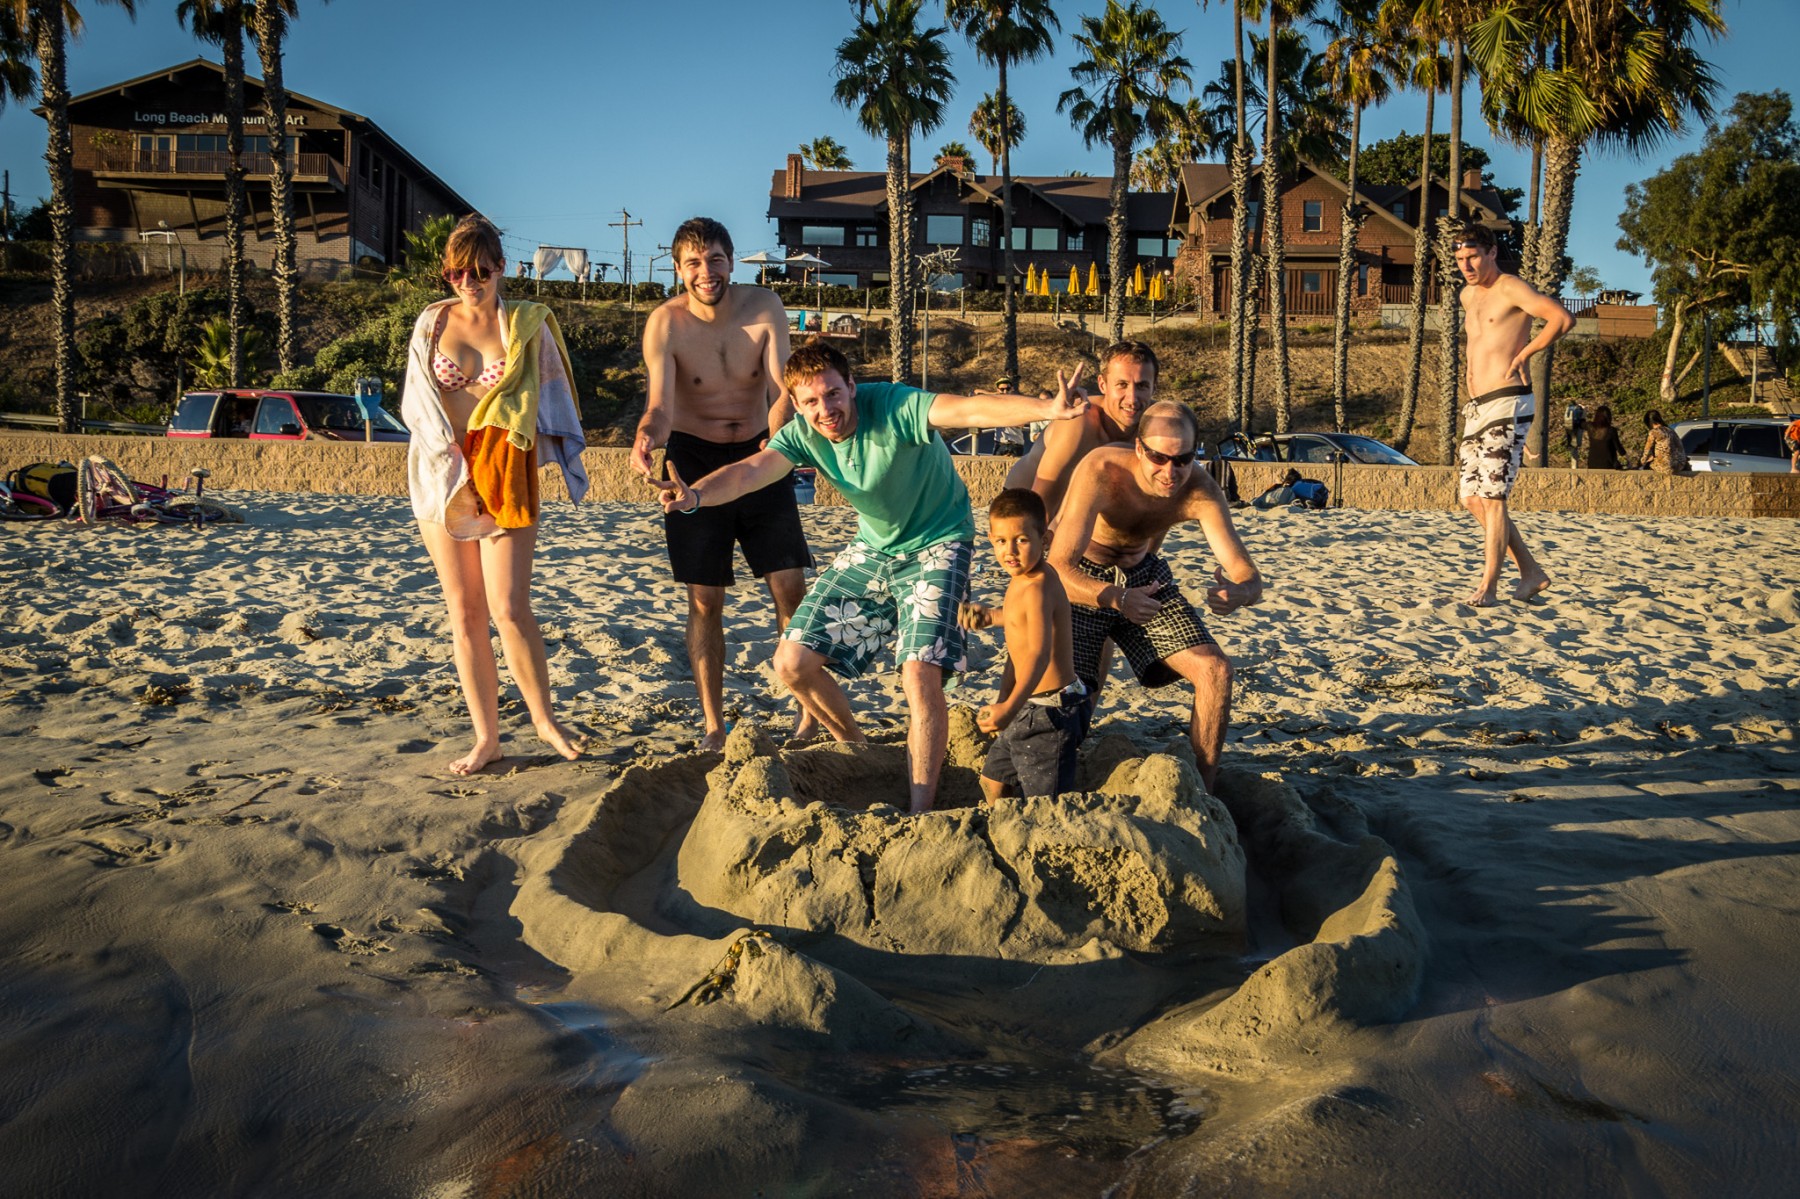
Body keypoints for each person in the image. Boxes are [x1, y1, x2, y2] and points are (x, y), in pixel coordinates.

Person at [650, 339, 1089, 814]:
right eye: (811, 401)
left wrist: (1047, 409)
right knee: (791, 663)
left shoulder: (895, 406)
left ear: (852, 386)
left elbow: (967, 409)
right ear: (796, 404)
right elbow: (748, 473)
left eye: (833, 394)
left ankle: (920, 810)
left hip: (940, 542)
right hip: (875, 547)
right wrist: (695, 496)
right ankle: (858, 748)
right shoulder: (802, 434)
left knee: (919, 672)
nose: (825, 410)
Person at [400, 214, 589, 774]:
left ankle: (544, 720)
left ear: (502, 268)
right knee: (465, 612)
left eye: (481, 271)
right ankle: (487, 739)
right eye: (457, 273)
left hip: (504, 474)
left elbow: (552, 396)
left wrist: (551, 455)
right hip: (442, 475)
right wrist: (453, 462)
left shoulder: (526, 325)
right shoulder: (431, 323)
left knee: (509, 607)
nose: (469, 282)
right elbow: (416, 404)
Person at [631, 218, 815, 751]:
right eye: (693, 262)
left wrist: (777, 433)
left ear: (731, 262)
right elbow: (661, 408)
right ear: (678, 269)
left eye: (715, 259)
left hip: (760, 452)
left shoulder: (764, 306)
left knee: (789, 585)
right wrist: (645, 438)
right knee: (705, 599)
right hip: (692, 460)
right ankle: (714, 725)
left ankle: (807, 715)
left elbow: (782, 389)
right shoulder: (665, 324)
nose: (706, 272)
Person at [1046, 400, 1263, 793]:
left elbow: (1248, 575)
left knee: (1216, 671)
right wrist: (1116, 597)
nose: (1170, 471)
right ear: (1139, 447)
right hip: (1086, 578)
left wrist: (1238, 592)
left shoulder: (1200, 489)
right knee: (1069, 701)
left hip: (1145, 578)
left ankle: (1202, 792)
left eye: (1183, 459)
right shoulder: (1102, 469)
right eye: (1158, 457)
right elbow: (1059, 568)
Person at [1451, 220, 1573, 607]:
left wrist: (1525, 353)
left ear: (1491, 253)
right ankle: (1531, 571)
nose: (1466, 265)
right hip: (1477, 408)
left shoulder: (1511, 287)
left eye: (1473, 257)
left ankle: (1489, 586)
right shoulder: (1467, 296)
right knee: (1472, 499)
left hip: (1508, 401)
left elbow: (1562, 318)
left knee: (1493, 497)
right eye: (1460, 259)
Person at [961, 489, 1087, 803]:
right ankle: (1001, 821)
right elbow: (1021, 622)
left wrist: (1009, 707)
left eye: (1022, 540)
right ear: (991, 539)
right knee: (993, 779)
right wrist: (991, 617)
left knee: (1045, 802)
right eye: (1002, 541)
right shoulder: (1023, 577)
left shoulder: (1038, 586)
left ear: (1045, 540)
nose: (1011, 551)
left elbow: (1038, 654)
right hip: (1028, 704)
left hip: (1050, 711)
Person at [1006, 340, 1159, 518]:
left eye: (1142, 386)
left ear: (1154, 387)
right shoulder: (1080, 421)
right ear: (1103, 385)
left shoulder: (1158, 423)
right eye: (1122, 385)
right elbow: (1043, 502)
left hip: (1083, 504)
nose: (1132, 399)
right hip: (1025, 501)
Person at [1639, 410, 1690, 474]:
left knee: (1647, 465)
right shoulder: (1671, 430)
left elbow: (1647, 451)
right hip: (1680, 466)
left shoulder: (1654, 432)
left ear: (1649, 422)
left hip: (1666, 467)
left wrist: (1641, 462)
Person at [1585, 404, 1627, 470]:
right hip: (1607, 465)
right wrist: (1626, 456)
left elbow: (1580, 423)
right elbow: (1619, 449)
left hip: (1592, 464)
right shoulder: (1611, 430)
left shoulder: (1590, 426)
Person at [1565, 398, 1588, 466]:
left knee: (1573, 445)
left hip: (1570, 428)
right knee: (1575, 445)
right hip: (1577, 427)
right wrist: (1584, 411)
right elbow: (1583, 420)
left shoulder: (1569, 408)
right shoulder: (1578, 410)